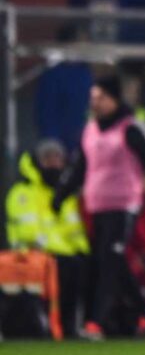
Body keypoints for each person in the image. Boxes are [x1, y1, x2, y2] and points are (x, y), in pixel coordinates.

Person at [54, 75, 145, 339]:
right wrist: (62, 193)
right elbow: (80, 166)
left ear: (114, 99)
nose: (96, 103)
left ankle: (95, 323)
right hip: (95, 206)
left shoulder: (132, 127)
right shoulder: (90, 129)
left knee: (109, 261)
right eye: (93, 98)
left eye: (101, 97)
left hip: (124, 205)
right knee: (111, 260)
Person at [5, 139, 90, 337]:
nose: (53, 164)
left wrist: (82, 251)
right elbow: (28, 232)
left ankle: (73, 327)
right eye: (48, 159)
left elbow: (75, 230)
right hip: (29, 256)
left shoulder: (65, 196)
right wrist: (57, 250)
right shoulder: (22, 193)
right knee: (61, 266)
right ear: (36, 162)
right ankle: (52, 327)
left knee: (82, 265)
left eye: (58, 159)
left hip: (63, 255)